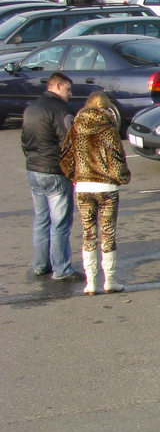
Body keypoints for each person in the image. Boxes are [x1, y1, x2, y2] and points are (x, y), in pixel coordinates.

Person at [60, 91, 130, 295]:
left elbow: (65, 157)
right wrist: (122, 178)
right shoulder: (109, 131)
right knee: (108, 234)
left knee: (88, 233)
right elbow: (118, 162)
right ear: (106, 108)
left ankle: (90, 282)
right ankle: (110, 280)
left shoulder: (75, 129)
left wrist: (75, 176)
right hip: (107, 188)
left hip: (83, 188)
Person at [22, 72, 77, 281]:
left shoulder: (31, 109)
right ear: (57, 86)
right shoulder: (60, 110)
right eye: (68, 89)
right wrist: (73, 172)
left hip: (34, 169)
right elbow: (69, 143)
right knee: (60, 222)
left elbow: (24, 140)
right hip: (54, 171)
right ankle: (61, 268)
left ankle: (40, 264)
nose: (70, 94)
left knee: (41, 219)